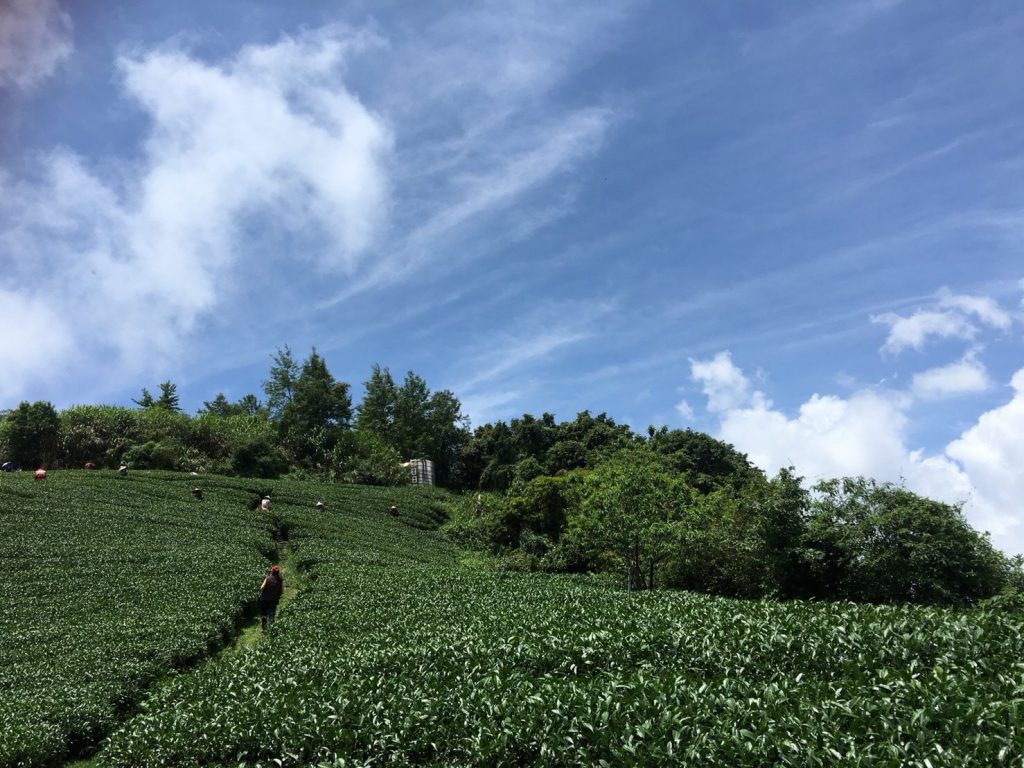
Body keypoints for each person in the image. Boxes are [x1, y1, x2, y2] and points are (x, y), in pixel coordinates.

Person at [259, 564, 283, 631]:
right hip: (274, 600)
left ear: (271, 572)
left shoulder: (267, 578)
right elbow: (282, 591)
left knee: (264, 613)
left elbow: (262, 587)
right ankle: (272, 628)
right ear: (278, 572)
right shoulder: (280, 580)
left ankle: (264, 628)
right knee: (272, 613)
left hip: (264, 599)